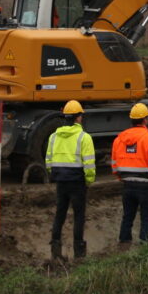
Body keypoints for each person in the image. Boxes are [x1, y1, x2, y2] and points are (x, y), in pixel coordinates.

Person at [111, 102, 148, 250]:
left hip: (128, 185)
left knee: (127, 217)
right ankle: (145, 248)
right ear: (145, 120)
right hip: (147, 186)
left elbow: (115, 166)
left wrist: (122, 178)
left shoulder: (119, 140)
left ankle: (123, 246)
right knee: (146, 218)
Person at [46, 99, 96, 261]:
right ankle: (79, 252)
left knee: (59, 214)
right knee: (79, 216)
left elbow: (48, 161)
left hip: (61, 181)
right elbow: (89, 164)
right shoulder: (84, 137)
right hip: (77, 182)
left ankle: (55, 250)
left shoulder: (54, 137)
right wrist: (89, 180)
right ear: (78, 117)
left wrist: (55, 175)